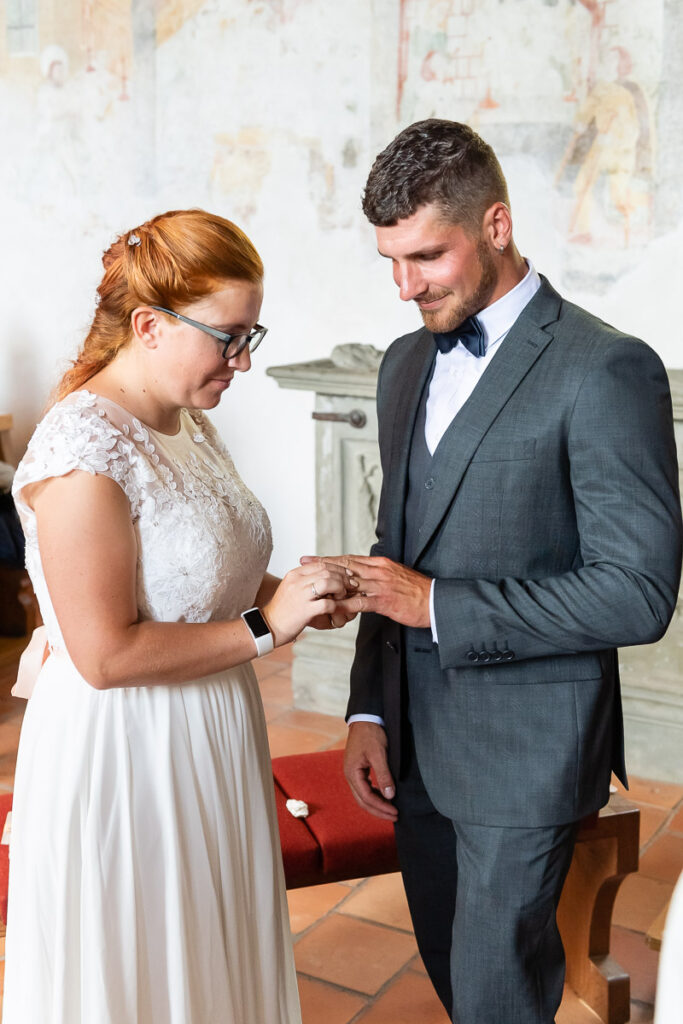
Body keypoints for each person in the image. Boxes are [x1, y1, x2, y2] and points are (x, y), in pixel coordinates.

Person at [316, 120, 683, 1023]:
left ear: (496, 224)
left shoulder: (606, 369)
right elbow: (388, 548)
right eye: (389, 262)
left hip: (528, 749)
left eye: (426, 256)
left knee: (496, 994)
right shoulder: (404, 363)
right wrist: (368, 707)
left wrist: (437, 603)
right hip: (411, 742)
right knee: (452, 972)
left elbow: (639, 593)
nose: (406, 287)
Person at [4, 209, 352, 1024]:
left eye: (250, 334)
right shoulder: (82, 451)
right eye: (227, 336)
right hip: (127, 752)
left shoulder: (187, 418)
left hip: (211, 724)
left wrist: (292, 595)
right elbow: (104, 654)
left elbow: (205, 568)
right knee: (144, 967)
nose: (244, 360)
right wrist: (271, 627)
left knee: (207, 951)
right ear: (150, 326)